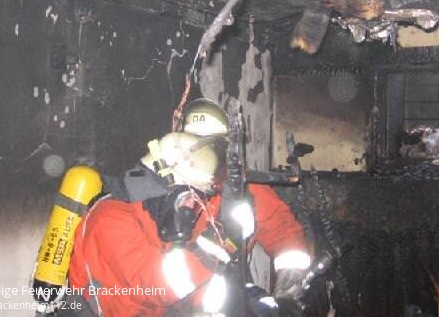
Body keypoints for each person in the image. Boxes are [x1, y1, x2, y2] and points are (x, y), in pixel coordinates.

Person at [67, 98, 311, 317]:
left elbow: (283, 231)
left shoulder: (225, 191)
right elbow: (160, 286)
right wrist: (221, 240)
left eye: (215, 150)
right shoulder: (111, 218)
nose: (206, 162)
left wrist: (285, 293)